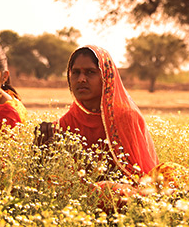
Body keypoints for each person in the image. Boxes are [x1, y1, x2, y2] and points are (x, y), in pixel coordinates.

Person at [35, 45, 159, 180]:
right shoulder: (71, 119)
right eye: (76, 72)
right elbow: (41, 173)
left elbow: (138, 175)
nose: (81, 79)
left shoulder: (125, 116)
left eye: (90, 72)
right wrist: (40, 147)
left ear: (106, 77)